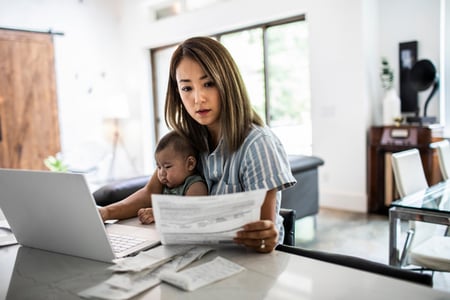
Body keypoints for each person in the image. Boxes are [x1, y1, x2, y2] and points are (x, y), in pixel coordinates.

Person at [99, 36, 296, 253]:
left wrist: (266, 235)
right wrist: (105, 213)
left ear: (227, 83)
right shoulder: (184, 140)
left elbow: (262, 231)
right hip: (194, 253)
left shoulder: (258, 144)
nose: (198, 98)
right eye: (187, 88)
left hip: (243, 260)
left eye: (208, 84)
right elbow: (150, 193)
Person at [137, 130, 208, 224]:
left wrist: (159, 213)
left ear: (190, 164)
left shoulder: (195, 185)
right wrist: (147, 213)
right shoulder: (165, 186)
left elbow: (192, 210)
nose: (161, 173)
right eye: (158, 167)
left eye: (167, 167)